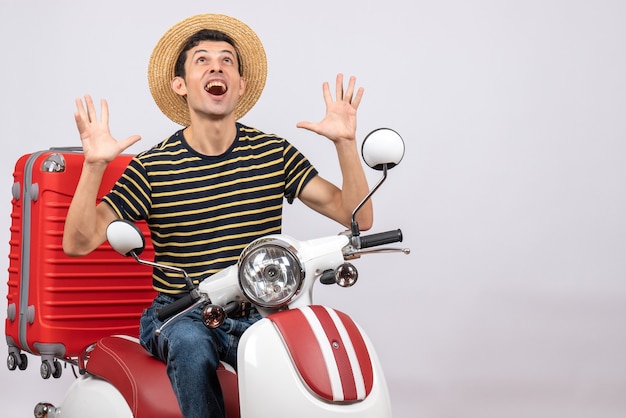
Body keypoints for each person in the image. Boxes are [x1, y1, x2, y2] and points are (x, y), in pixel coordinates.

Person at [63, 13, 373, 418]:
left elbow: (357, 218)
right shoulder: (153, 167)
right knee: (191, 347)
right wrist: (94, 167)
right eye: (202, 60)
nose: (217, 67)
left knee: (320, 341)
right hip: (181, 313)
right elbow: (78, 241)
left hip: (264, 312)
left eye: (228, 61)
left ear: (240, 84)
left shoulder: (272, 153)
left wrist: (345, 144)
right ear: (180, 85)